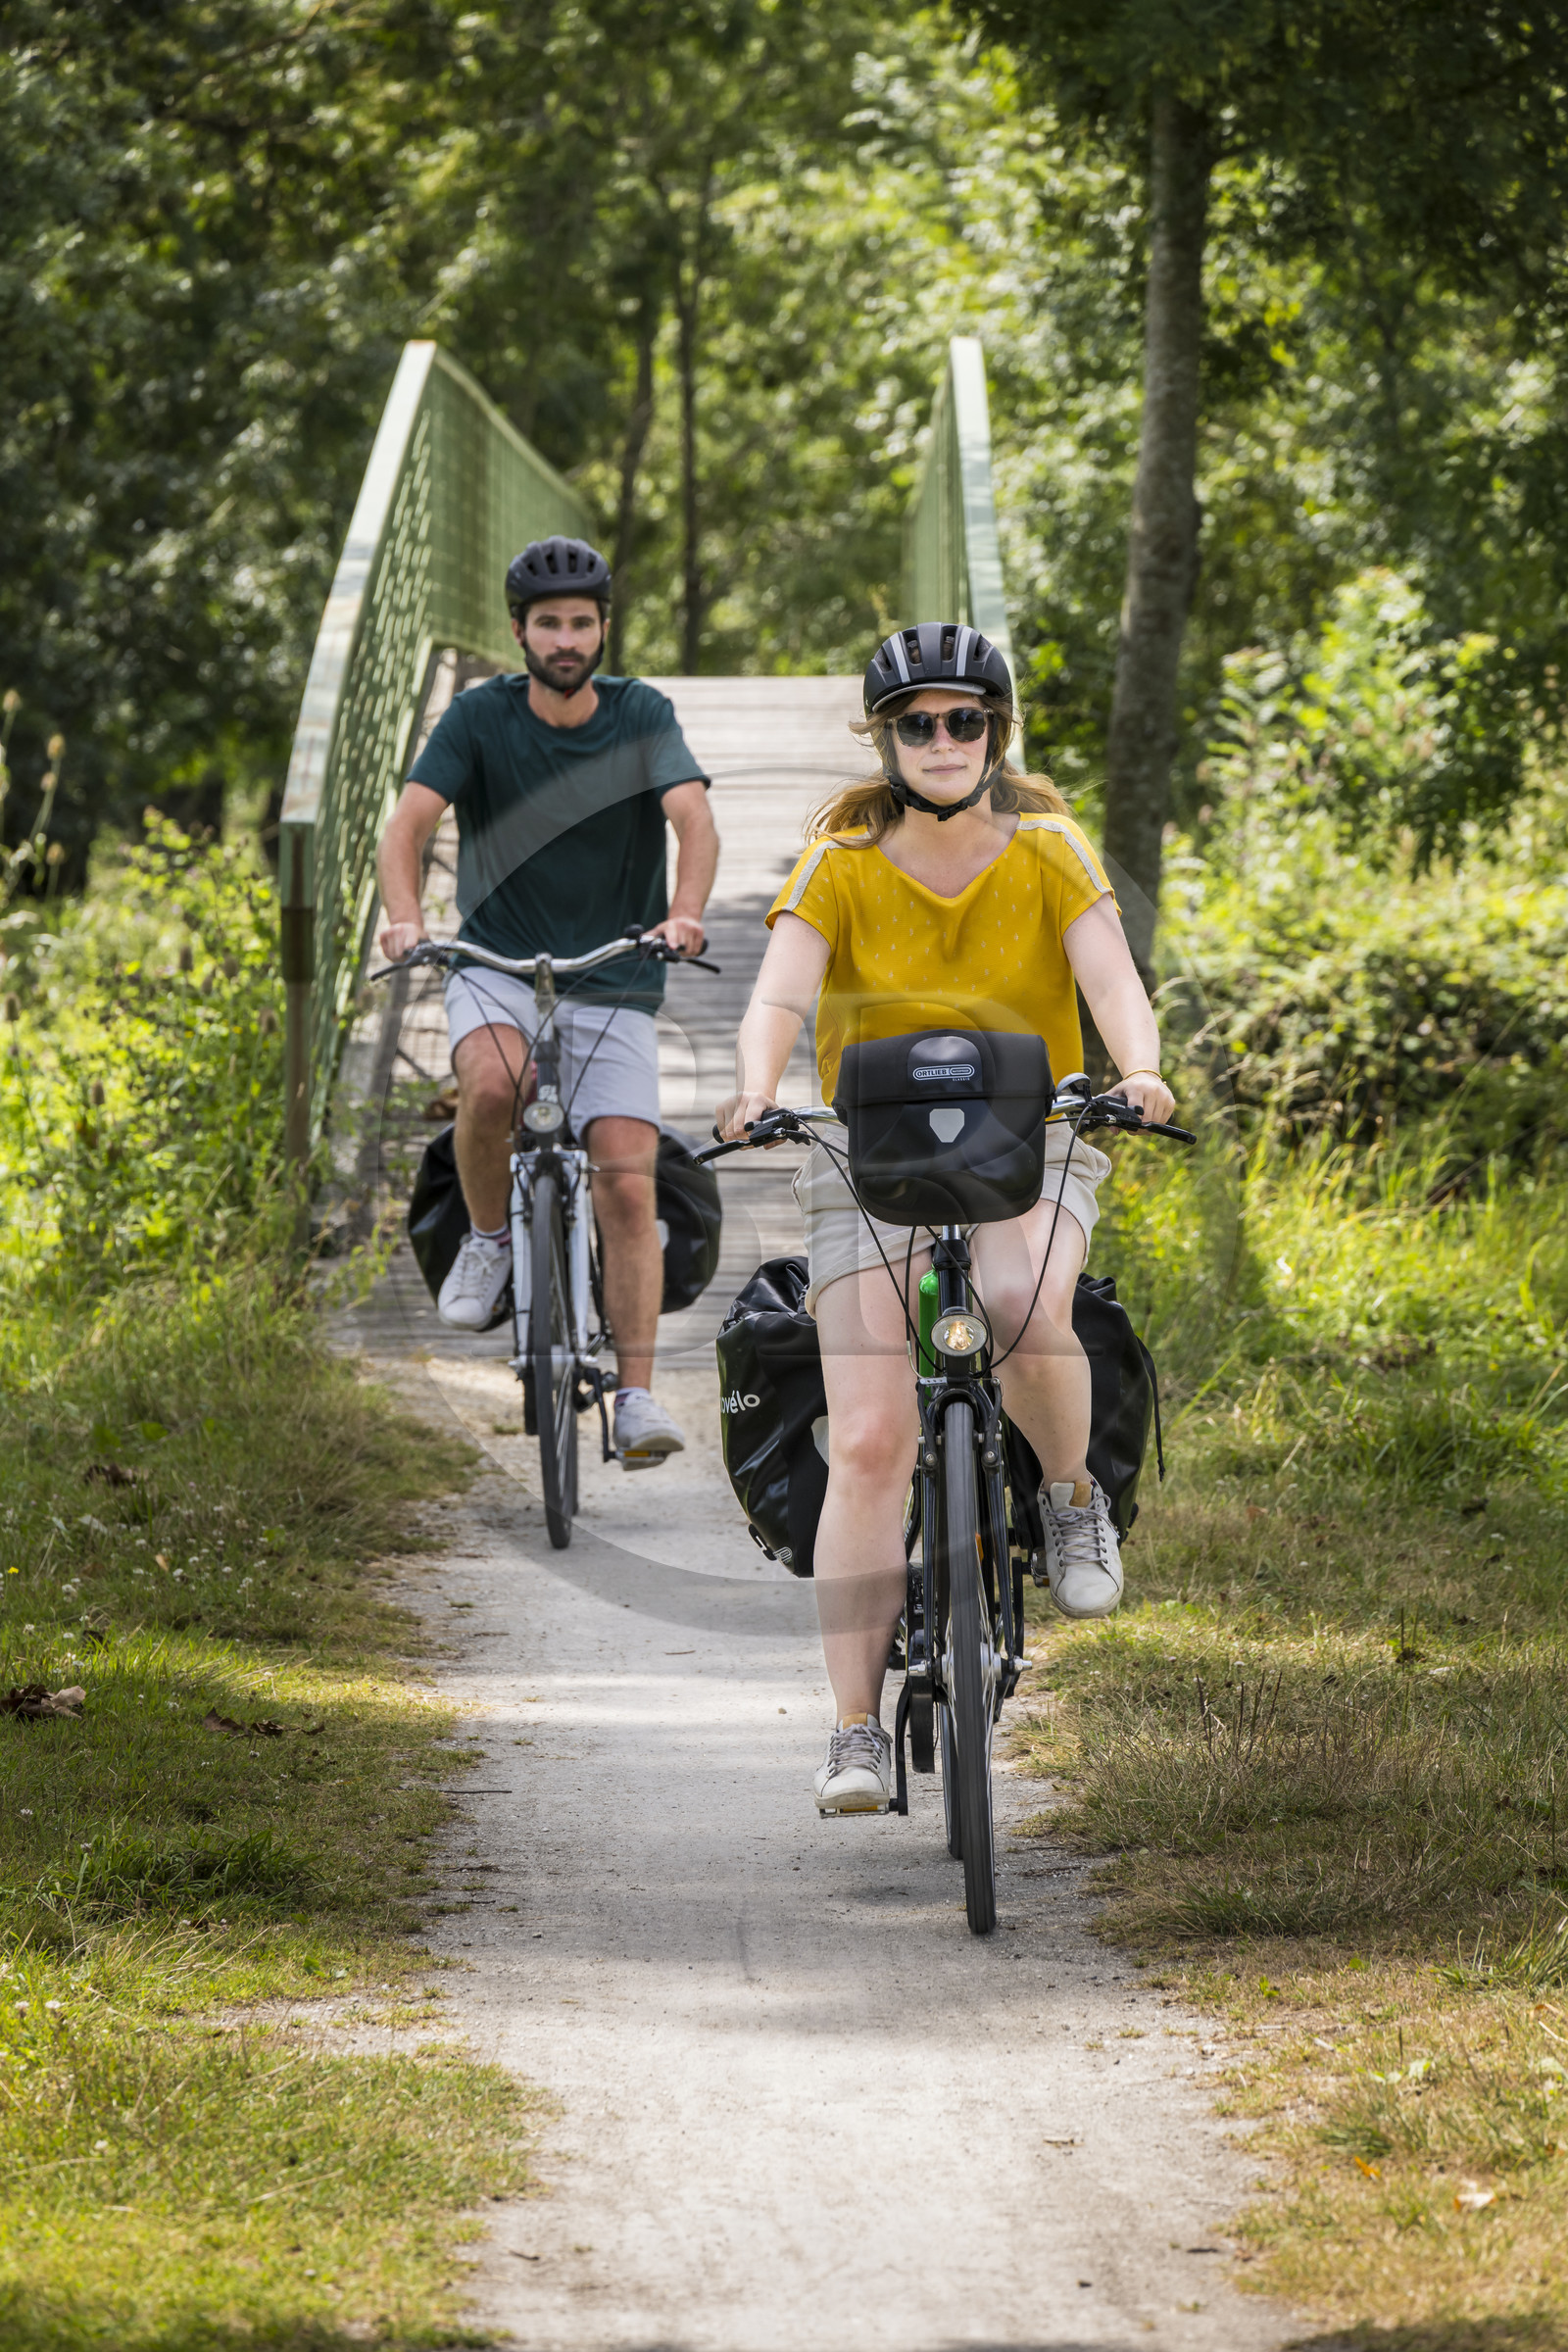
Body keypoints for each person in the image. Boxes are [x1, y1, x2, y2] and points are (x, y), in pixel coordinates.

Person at [715, 621, 1175, 1814]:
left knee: (1023, 1303)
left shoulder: (1049, 848)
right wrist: (756, 1090)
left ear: (995, 733)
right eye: (913, 722)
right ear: (885, 740)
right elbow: (779, 993)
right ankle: (855, 1731)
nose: (938, 740)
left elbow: (1113, 978)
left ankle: (1069, 1504)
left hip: (1034, 1132)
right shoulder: (841, 857)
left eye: (961, 719)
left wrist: (1137, 1066)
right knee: (868, 1440)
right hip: (868, 1150)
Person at [377, 535, 718, 1466]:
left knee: (625, 1173)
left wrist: (684, 914)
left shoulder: (642, 712)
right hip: (494, 960)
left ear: (603, 628)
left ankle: (639, 1396)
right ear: (520, 633)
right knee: (491, 1089)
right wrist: (405, 919)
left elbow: (691, 816)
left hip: (613, 969)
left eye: (581, 623)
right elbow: (407, 823)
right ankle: (489, 1240)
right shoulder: (479, 718)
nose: (565, 639)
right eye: (547, 624)